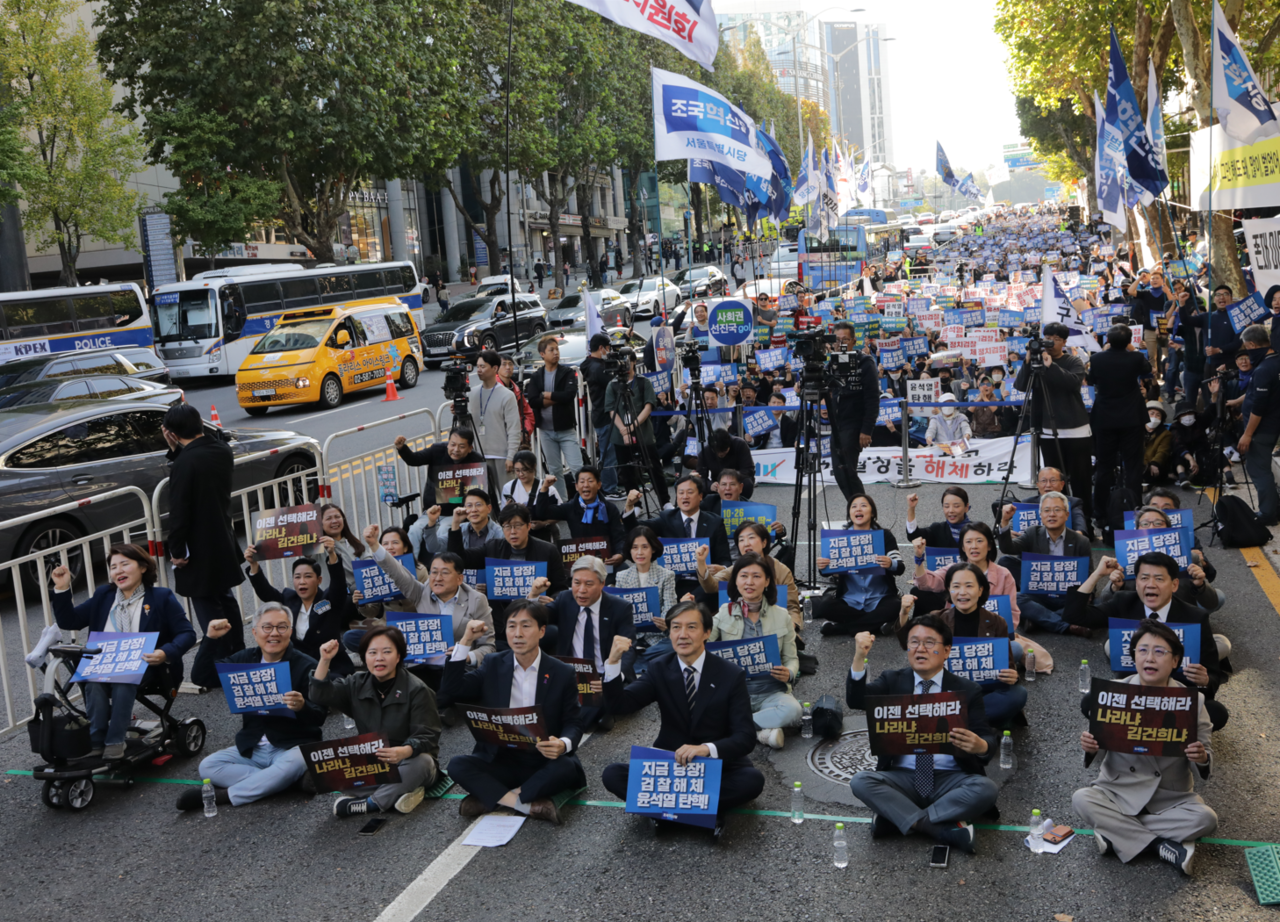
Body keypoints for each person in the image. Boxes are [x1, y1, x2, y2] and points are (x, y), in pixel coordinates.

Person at [600, 603, 765, 840]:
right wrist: (613, 663)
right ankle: (704, 813)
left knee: (752, 781)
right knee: (612, 774)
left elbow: (745, 737)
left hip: (717, 767)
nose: (682, 634)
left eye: (691, 627)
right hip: (671, 768)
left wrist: (705, 749)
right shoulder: (658, 668)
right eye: (675, 627)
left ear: (707, 632)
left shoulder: (730, 674)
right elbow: (620, 706)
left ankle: (665, 812)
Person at [845, 616, 1000, 853]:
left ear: (946, 651)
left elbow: (988, 740)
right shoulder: (892, 680)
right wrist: (859, 656)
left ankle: (898, 818)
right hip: (903, 777)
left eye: (929, 643)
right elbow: (856, 700)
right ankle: (938, 828)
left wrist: (980, 746)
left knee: (986, 788)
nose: (920, 649)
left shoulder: (967, 690)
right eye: (914, 642)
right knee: (861, 781)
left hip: (951, 778)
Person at [1072, 620, 1215, 875]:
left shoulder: (1194, 701)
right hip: (1118, 791)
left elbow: (1205, 756)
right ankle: (1162, 845)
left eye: (1160, 652)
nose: (1150, 658)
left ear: (1175, 661)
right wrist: (1092, 747)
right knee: (1081, 799)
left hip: (1170, 798)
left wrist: (1201, 756)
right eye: (1142, 650)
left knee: (1206, 819)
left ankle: (1116, 833)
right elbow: (1100, 748)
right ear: (1133, 656)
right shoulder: (1111, 694)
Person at [440, 603, 586, 825]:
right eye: (511, 626)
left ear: (542, 631)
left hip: (542, 759)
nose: (517, 634)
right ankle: (524, 803)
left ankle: (491, 798)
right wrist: (466, 641)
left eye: (526, 626)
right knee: (457, 765)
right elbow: (452, 690)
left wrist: (562, 744)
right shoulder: (493, 663)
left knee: (567, 767)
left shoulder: (562, 671)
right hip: (501, 758)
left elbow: (573, 723)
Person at [50, 546, 196, 760]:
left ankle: (115, 741)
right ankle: (96, 741)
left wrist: (165, 652)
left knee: (122, 680)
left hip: (148, 666)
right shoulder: (104, 595)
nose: (118, 570)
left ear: (143, 567)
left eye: (125, 564)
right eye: (113, 567)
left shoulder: (160, 597)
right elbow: (69, 621)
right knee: (94, 683)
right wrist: (62, 588)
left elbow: (186, 633)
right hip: (104, 663)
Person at [178, 603, 326, 810]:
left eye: (281, 627)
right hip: (253, 746)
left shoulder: (307, 665)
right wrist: (210, 638)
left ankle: (224, 796)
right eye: (267, 627)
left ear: (290, 632)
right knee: (207, 766)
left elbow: (320, 716)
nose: (274, 633)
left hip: (292, 746)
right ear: (255, 632)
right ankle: (285, 782)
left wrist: (302, 706)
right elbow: (202, 677)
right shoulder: (244, 660)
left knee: (296, 762)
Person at [1062, 553, 1228, 730]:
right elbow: (1074, 615)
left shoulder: (1194, 617)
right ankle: (1153, 727)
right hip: (1132, 696)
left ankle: (1158, 728)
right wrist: (1097, 575)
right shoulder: (1123, 602)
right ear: (1137, 583)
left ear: (1174, 585)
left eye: (1159, 579)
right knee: (1090, 702)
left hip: (1175, 699)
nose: (1151, 584)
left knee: (1216, 712)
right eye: (1144, 578)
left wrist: (1204, 680)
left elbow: (1213, 676)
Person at [311, 628, 442, 817]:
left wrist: (404, 751)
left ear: (399, 657)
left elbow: (428, 735)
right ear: (364, 657)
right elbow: (319, 695)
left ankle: (371, 803)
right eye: (372, 653)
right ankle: (400, 793)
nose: (379, 658)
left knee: (422, 764)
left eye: (387, 652)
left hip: (408, 760)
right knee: (330, 774)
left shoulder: (417, 690)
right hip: (374, 763)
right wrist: (325, 659)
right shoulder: (355, 683)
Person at [160, 403, 244, 690]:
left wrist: (176, 550)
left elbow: (179, 511)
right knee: (226, 598)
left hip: (198, 547)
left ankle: (220, 664)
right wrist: (176, 449)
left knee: (207, 604)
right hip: (222, 536)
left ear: (170, 433)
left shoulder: (185, 464)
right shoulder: (221, 450)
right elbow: (204, 450)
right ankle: (238, 653)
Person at [898, 565, 1026, 727]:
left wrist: (1012, 677)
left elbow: (1009, 667)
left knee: (1018, 694)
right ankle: (975, 721)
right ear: (949, 590)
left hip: (982, 690)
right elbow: (907, 644)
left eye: (969, 586)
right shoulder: (937, 619)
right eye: (956, 586)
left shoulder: (996, 622)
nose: (962, 592)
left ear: (980, 590)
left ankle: (952, 720)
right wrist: (904, 613)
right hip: (945, 690)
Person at [710, 554, 801, 750]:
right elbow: (703, 644)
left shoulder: (782, 615)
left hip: (771, 693)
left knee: (793, 710)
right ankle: (761, 733)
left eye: (756, 576)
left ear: (767, 581)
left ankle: (734, 729)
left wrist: (790, 673)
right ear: (736, 580)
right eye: (743, 576)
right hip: (734, 694)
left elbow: (791, 659)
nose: (749, 582)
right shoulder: (724, 611)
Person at [538, 555, 636, 728]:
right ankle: (594, 716)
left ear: (602, 583)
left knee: (592, 702)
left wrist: (612, 678)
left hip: (601, 676)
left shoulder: (620, 608)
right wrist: (533, 597)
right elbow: (536, 619)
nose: (581, 590)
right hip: (572, 675)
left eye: (588, 584)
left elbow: (629, 648)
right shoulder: (565, 599)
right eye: (576, 583)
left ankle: (591, 715)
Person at [1014, 321, 1094, 529]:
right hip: (1047, 430)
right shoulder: (1036, 360)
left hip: (1076, 429)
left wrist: (1051, 366)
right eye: (1047, 338)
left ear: (1064, 342)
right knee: (1055, 482)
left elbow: (1072, 384)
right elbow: (1020, 386)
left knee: (1081, 480)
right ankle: (1060, 524)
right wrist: (1028, 361)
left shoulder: (1073, 361)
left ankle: (1084, 524)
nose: (1050, 343)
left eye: (1056, 339)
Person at [446, 502, 568, 639]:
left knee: (553, 633)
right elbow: (457, 559)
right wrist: (456, 524)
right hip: (500, 624)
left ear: (528, 526)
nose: (513, 532)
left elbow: (561, 588)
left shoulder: (548, 550)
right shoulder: (493, 547)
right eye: (507, 527)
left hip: (535, 620)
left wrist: (551, 601)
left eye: (517, 526)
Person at [244, 537, 352, 675]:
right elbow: (265, 593)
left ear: (319, 580)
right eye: (297, 577)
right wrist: (254, 565)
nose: (302, 582)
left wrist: (332, 554)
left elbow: (338, 583)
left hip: (332, 666)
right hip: (299, 668)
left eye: (308, 576)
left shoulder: (330, 599)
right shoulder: (288, 598)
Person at [997, 491, 1094, 637]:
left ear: (1067, 515)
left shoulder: (1081, 541)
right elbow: (1007, 548)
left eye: (1057, 510)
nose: (1052, 514)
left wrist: (1087, 596)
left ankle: (1037, 619)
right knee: (1016, 596)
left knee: (1086, 603)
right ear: (1040, 515)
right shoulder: (1032, 533)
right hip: (1038, 593)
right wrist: (1004, 522)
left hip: (1065, 595)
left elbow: (1089, 574)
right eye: (1047, 510)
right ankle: (1065, 625)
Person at [812, 494, 905, 637]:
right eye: (853, 506)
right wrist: (822, 565)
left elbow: (900, 567)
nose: (858, 509)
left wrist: (890, 563)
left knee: (896, 606)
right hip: (850, 600)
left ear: (872, 512)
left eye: (863, 505)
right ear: (849, 513)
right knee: (825, 606)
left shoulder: (884, 536)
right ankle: (877, 626)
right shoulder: (839, 538)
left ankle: (842, 629)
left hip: (880, 598)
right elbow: (825, 572)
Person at [1088, 325, 1153, 524]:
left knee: (1104, 466)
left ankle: (1100, 513)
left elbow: (1090, 380)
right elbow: (1148, 370)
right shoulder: (1135, 358)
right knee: (1133, 465)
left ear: (1107, 339)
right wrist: (1133, 349)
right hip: (1132, 416)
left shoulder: (1097, 358)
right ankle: (1133, 511)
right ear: (1128, 340)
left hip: (1105, 416)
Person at [623, 474, 733, 591]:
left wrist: (721, 568)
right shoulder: (667, 518)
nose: (685, 497)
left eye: (690, 492)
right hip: (674, 583)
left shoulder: (715, 522)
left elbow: (725, 559)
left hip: (704, 582)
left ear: (700, 496)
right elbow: (634, 530)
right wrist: (629, 505)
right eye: (681, 493)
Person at [911, 522, 1020, 637]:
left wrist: (1000, 636)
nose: (974, 546)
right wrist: (919, 558)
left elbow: (1012, 613)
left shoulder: (1004, 575)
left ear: (989, 546)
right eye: (968, 542)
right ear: (963, 547)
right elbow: (925, 582)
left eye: (979, 541)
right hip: (956, 633)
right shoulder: (954, 570)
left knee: (1016, 649)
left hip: (991, 634)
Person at [604, 348, 670, 506]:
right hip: (620, 435)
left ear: (634, 362)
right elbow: (611, 410)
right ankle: (634, 505)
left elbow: (648, 406)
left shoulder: (643, 382)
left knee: (654, 468)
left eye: (628, 362)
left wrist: (632, 427)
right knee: (627, 472)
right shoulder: (612, 385)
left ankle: (665, 501)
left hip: (643, 433)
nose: (625, 366)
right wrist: (623, 430)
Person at [826, 322, 881, 505]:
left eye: (845, 340)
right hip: (836, 425)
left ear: (854, 341)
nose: (840, 344)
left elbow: (873, 398)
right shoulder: (831, 364)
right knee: (841, 473)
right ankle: (858, 511)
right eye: (837, 340)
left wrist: (867, 430)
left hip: (855, 425)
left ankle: (862, 512)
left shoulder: (865, 362)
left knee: (847, 471)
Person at [534, 466, 626, 565]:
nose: (586, 485)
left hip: (606, 561)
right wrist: (544, 488)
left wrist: (620, 554)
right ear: (576, 486)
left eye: (590, 481)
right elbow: (542, 513)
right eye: (582, 482)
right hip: (579, 561)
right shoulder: (570, 507)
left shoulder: (610, 508)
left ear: (599, 485)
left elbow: (619, 537)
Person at [1235, 323, 1280, 526]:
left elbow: (1259, 406)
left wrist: (1247, 434)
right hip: (1274, 424)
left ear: (1252, 344)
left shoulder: (1263, 369)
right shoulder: (1276, 361)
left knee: (1259, 470)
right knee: (1264, 470)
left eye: (1246, 347)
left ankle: (1268, 513)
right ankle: (1274, 507)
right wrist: (1237, 402)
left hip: (1263, 429)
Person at [349, 527, 428, 641]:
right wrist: (361, 603)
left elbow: (428, 604)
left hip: (414, 627)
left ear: (405, 547)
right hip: (387, 628)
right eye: (385, 544)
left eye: (395, 543)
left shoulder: (420, 570)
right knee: (350, 637)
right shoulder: (372, 572)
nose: (389, 547)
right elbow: (372, 613)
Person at [463, 350, 521, 492]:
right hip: (479, 456)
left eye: (483, 366)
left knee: (508, 498)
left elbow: (514, 429)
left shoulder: (507, 395)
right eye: (478, 366)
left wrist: (511, 456)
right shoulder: (472, 393)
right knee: (484, 501)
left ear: (494, 368)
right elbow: (466, 427)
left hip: (502, 456)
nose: (479, 370)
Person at [531, 335, 583, 493]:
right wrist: (556, 397)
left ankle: (587, 502)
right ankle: (562, 504)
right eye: (551, 350)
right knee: (554, 471)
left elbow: (569, 395)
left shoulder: (566, 372)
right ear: (542, 354)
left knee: (577, 468)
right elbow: (533, 400)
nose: (556, 353)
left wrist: (546, 395)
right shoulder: (536, 376)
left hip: (566, 429)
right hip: (546, 431)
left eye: (557, 349)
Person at [394, 427, 486, 512]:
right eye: (452, 445)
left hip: (459, 512)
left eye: (461, 447)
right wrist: (402, 448)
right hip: (432, 510)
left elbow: (482, 493)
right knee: (415, 529)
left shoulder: (477, 461)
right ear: (448, 443)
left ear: (470, 448)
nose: (456, 450)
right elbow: (414, 460)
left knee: (443, 529)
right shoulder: (437, 450)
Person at [579, 333, 622, 498]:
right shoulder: (597, 368)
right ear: (602, 348)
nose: (609, 352)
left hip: (602, 414)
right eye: (608, 348)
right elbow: (614, 385)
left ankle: (612, 485)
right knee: (608, 454)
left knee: (610, 453)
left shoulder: (590, 364)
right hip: (605, 415)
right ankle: (610, 488)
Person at [615, 526, 678, 629]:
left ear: (653, 549)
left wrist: (665, 622)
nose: (639, 552)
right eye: (635, 547)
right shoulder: (621, 576)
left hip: (658, 635)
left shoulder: (667, 575)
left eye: (645, 547)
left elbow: (669, 607)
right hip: (631, 635)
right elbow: (619, 610)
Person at [416, 488, 503, 557]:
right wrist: (432, 522)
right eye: (469, 505)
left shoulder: (500, 533)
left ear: (489, 508)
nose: (473, 510)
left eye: (478, 505)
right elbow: (433, 547)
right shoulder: (460, 529)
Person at [1185, 285, 1241, 376]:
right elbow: (1186, 320)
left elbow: (1237, 343)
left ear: (1231, 298)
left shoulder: (1237, 317)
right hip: (1210, 364)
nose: (1221, 297)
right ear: (1214, 299)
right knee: (1209, 389)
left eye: (1225, 294)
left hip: (1230, 364)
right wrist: (1182, 304)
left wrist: (1218, 350)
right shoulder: (1207, 317)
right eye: (1218, 295)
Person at [311, 503, 363, 588]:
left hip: (361, 596)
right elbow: (306, 548)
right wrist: (308, 514)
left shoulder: (355, 544)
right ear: (320, 524)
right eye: (328, 518)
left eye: (337, 517)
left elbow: (371, 566)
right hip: (332, 599)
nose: (334, 521)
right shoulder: (318, 546)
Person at [697, 428, 756, 498]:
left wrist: (731, 479)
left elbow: (748, 470)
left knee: (747, 483)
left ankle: (741, 502)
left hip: (737, 479)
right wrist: (710, 485)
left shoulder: (740, 444)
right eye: (717, 452)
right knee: (698, 486)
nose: (720, 455)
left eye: (724, 451)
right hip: (717, 483)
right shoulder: (705, 452)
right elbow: (700, 477)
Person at [905, 487, 971, 549]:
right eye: (946, 506)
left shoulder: (977, 530)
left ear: (966, 507)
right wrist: (911, 508)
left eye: (956, 506)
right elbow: (914, 535)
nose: (951, 510)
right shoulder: (937, 530)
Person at [1144, 402, 1175, 484]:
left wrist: (1155, 463)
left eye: (1158, 415)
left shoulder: (1165, 434)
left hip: (1155, 465)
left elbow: (1163, 451)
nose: (1154, 417)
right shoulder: (1136, 431)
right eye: (1151, 414)